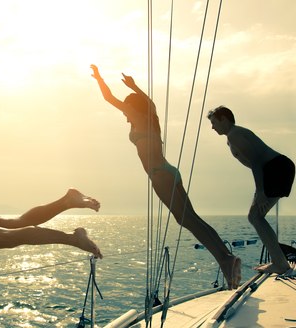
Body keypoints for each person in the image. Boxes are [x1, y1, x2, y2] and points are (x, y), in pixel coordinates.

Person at [90, 65, 241, 289]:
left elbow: (109, 97)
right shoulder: (152, 116)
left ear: (131, 107)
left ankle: (226, 261)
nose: (124, 113)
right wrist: (134, 87)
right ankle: (226, 257)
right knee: (192, 218)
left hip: (160, 175)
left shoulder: (138, 117)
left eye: (127, 108)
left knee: (187, 220)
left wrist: (99, 78)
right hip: (170, 170)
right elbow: (149, 101)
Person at [208, 106, 295, 275]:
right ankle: (280, 262)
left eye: (214, 122)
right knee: (255, 216)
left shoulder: (235, 135)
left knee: (255, 216)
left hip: (276, 169)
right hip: (276, 169)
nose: (212, 127)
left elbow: (256, 161)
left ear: (223, 119)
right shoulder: (232, 137)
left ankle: (280, 264)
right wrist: (259, 191)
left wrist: (261, 191)